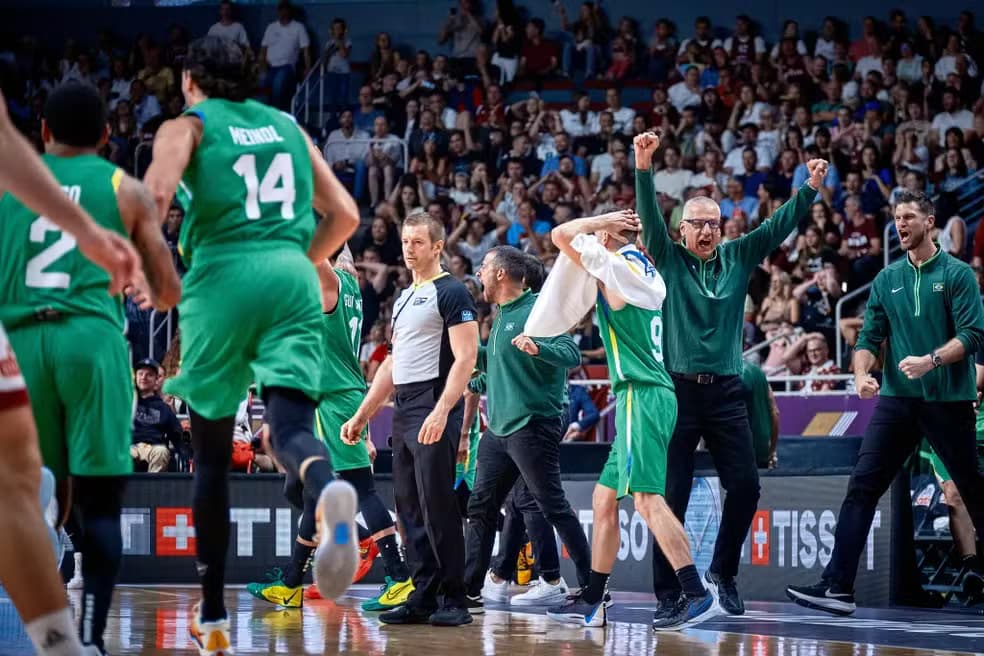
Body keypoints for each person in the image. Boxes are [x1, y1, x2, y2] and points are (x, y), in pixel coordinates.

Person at [142, 36, 360, 654]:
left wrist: (152, 274)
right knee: (290, 425)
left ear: (190, 80)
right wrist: (294, 264)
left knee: (210, 457)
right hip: (292, 279)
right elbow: (344, 215)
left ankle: (212, 615)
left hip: (221, 279)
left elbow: (155, 197)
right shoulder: (289, 126)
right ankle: (327, 490)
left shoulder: (186, 125)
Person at [0, 82, 180, 655]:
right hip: (91, 341)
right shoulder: (122, 186)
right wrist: (149, 285)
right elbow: (167, 288)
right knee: (99, 504)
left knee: (25, 494)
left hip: (18, 341)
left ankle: (33, 629)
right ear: (107, 136)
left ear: (43, 134)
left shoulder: (8, 182)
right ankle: (89, 641)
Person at [634, 130, 825, 618]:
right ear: (682, 230)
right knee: (668, 496)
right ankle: (670, 593)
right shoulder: (670, 258)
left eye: (713, 224)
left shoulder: (738, 257)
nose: (706, 231)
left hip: (724, 391)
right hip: (676, 391)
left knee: (745, 485)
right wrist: (643, 164)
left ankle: (722, 571)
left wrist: (808, 189)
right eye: (697, 223)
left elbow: (777, 226)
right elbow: (651, 220)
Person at [787, 191, 984, 615]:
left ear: (929, 222)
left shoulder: (957, 274)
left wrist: (931, 361)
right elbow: (868, 337)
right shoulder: (886, 278)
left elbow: (973, 336)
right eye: (897, 218)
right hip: (897, 400)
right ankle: (837, 586)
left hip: (948, 399)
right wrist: (860, 374)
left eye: (909, 217)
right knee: (862, 487)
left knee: (972, 490)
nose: (901, 224)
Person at [541, 210, 721, 631]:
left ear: (609, 237)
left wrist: (599, 220)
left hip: (641, 395)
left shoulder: (617, 270)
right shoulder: (645, 270)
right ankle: (592, 600)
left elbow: (561, 233)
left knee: (646, 500)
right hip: (647, 395)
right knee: (605, 499)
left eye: (602, 234)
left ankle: (695, 592)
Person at [247, 247, 412, 612]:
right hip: (339, 397)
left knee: (362, 490)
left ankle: (399, 576)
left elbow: (315, 250)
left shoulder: (331, 286)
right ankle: (291, 582)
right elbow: (340, 254)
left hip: (334, 401)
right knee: (308, 494)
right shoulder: (351, 285)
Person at [341, 211, 478, 627]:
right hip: (403, 406)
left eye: (418, 242)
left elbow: (467, 358)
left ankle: (455, 598)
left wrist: (442, 410)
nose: (408, 250)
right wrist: (363, 415)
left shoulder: (452, 292)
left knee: (438, 505)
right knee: (409, 507)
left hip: (434, 400)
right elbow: (391, 363)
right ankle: (423, 593)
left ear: (438, 247)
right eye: (405, 242)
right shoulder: (402, 297)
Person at [463, 245, 591, 611]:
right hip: (499, 429)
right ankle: (470, 591)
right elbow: (502, 368)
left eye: (485, 266)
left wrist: (539, 348)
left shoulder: (538, 308)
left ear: (501, 273)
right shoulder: (501, 314)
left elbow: (571, 354)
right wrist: (470, 369)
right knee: (482, 506)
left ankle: (593, 586)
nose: (480, 273)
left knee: (552, 506)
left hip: (533, 425)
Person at [131, 358, 184, 473]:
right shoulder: (127, 402)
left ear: (156, 380)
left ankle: (152, 489)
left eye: (149, 375)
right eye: (140, 374)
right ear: (135, 377)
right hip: (131, 446)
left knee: (161, 452)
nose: (144, 377)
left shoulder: (163, 408)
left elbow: (177, 435)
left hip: (154, 448)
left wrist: (188, 453)